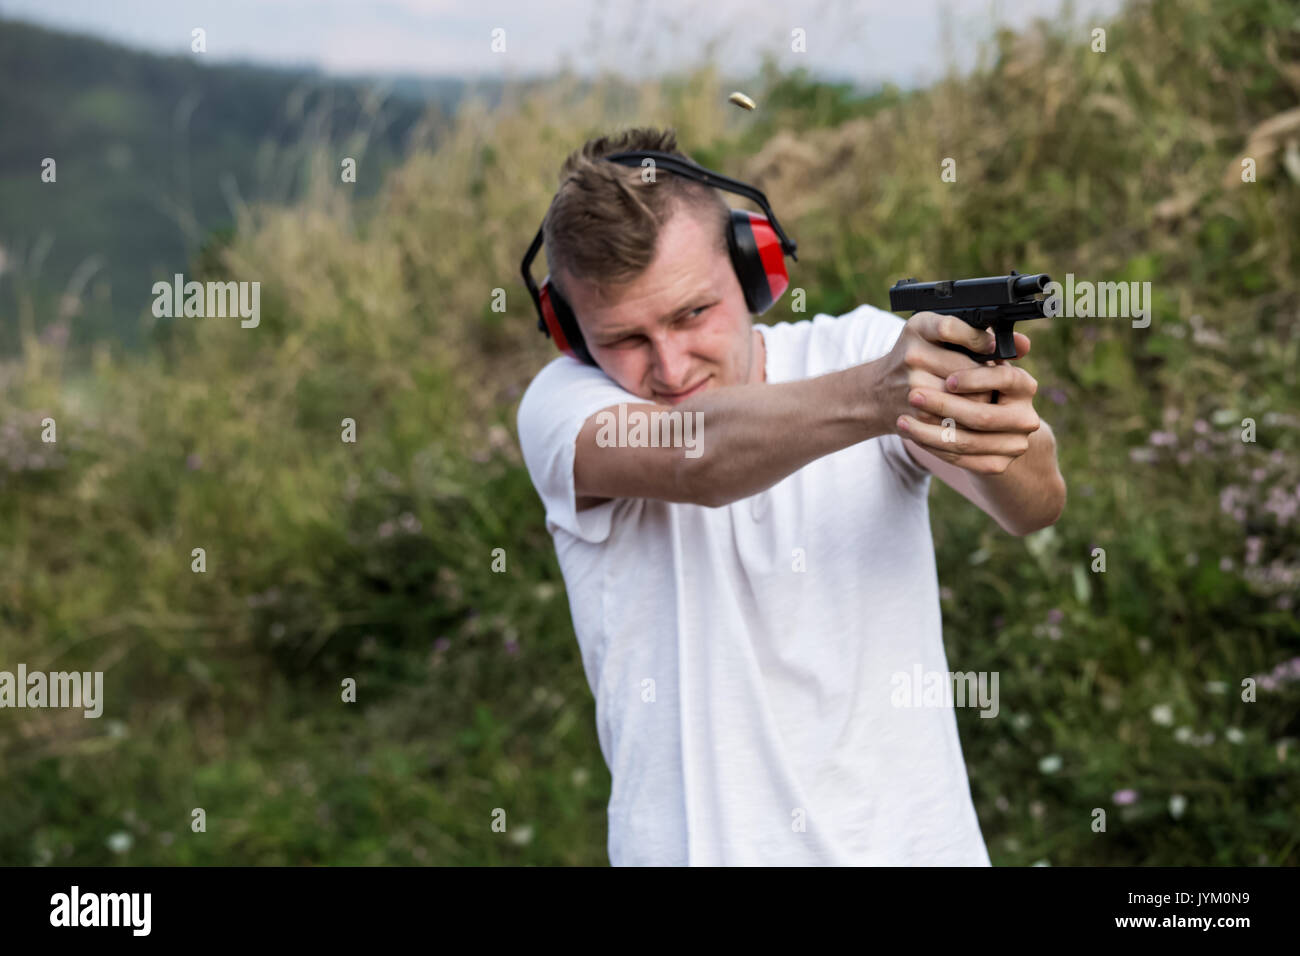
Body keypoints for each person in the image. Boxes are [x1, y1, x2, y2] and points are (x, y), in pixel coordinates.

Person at [516, 126, 1066, 865]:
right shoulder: (562, 408)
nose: (671, 366)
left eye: (690, 314)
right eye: (625, 339)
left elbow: (1032, 508)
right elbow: (696, 457)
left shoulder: (862, 355)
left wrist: (995, 414)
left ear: (753, 268)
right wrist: (884, 392)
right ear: (569, 332)